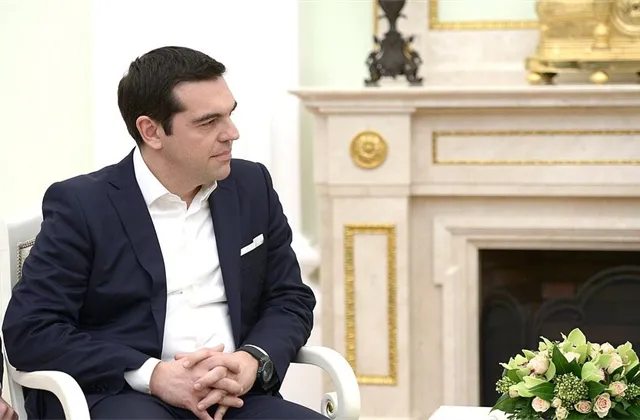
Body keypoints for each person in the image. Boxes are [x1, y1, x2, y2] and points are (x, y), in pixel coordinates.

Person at [2, 46, 323, 420]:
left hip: (235, 399)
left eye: (230, 114)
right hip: (122, 396)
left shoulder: (252, 185)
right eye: (208, 122)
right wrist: (152, 374)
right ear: (151, 131)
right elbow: (32, 331)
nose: (232, 133)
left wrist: (252, 359)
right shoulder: (82, 205)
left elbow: (289, 298)